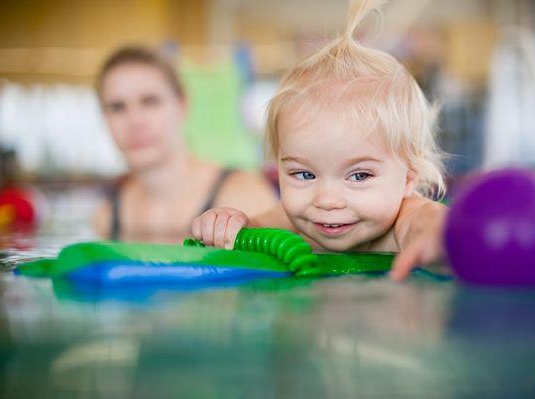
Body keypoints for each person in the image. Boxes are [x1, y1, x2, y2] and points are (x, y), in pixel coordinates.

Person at [191, 0, 447, 280]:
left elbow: (427, 223)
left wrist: (440, 236)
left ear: (409, 178)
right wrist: (230, 223)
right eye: (304, 174)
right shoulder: (296, 219)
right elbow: (253, 227)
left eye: (359, 175)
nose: (326, 200)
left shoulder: (405, 218)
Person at [94, 46, 277, 242]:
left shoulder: (244, 198)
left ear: (182, 105)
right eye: (117, 107)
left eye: (150, 101)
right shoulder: (106, 218)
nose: (134, 121)